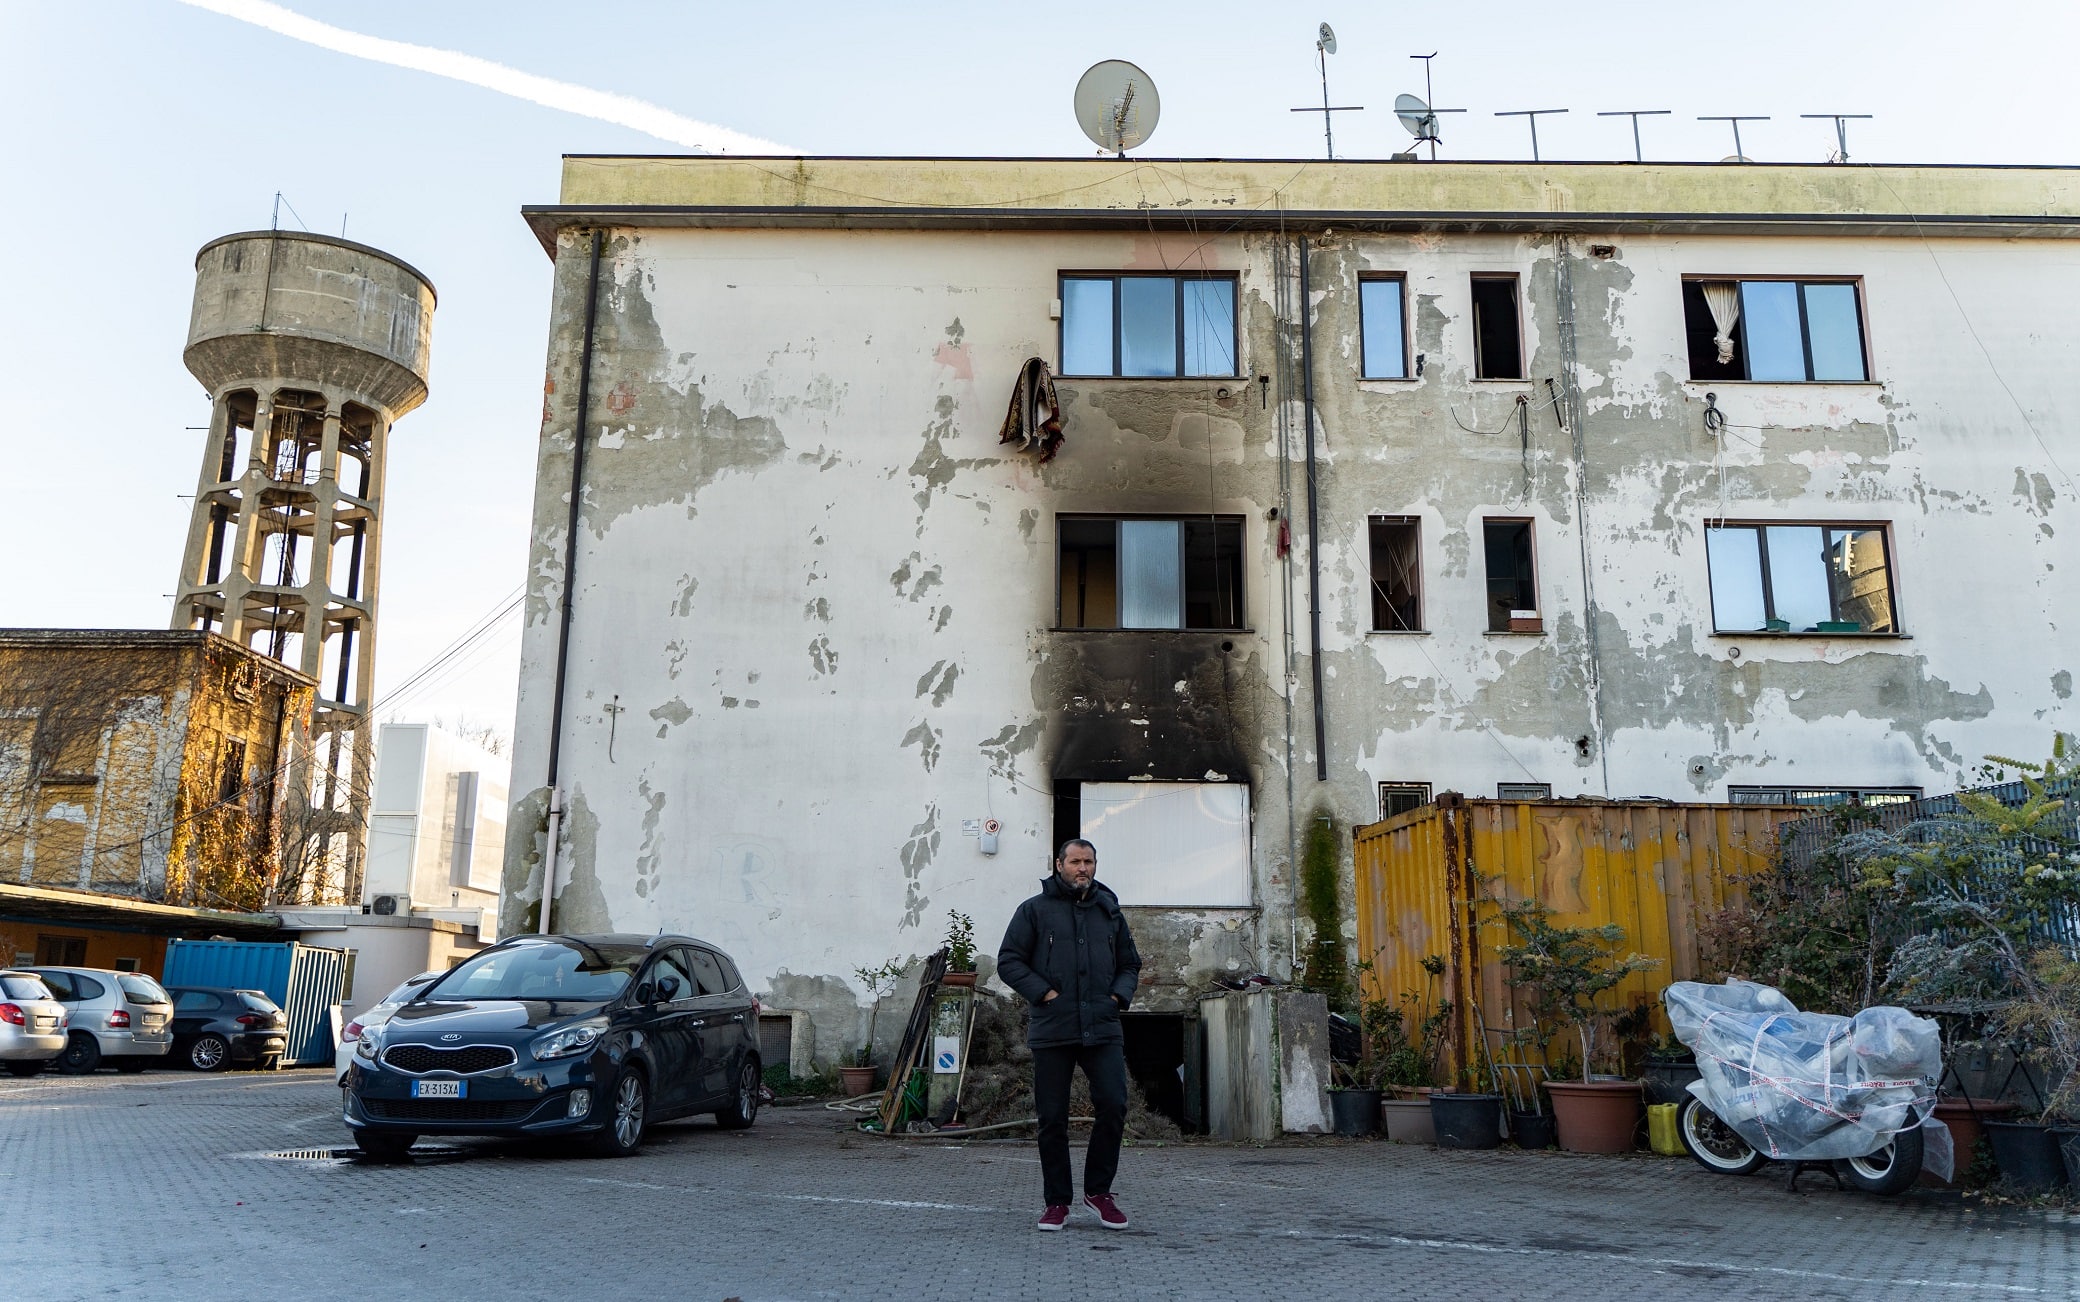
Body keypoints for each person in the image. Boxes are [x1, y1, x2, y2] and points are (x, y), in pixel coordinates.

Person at [996, 838, 1142, 1232]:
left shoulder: (1109, 911)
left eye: (1089, 861)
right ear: (1058, 863)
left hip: (1103, 1026)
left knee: (1113, 1104)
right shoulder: (1034, 911)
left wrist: (1116, 996)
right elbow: (1008, 961)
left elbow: (1130, 963)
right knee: (1052, 1118)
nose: (1083, 868)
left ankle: (1099, 1193)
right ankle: (1056, 1201)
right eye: (1075, 861)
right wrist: (1044, 993)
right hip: (1053, 1027)